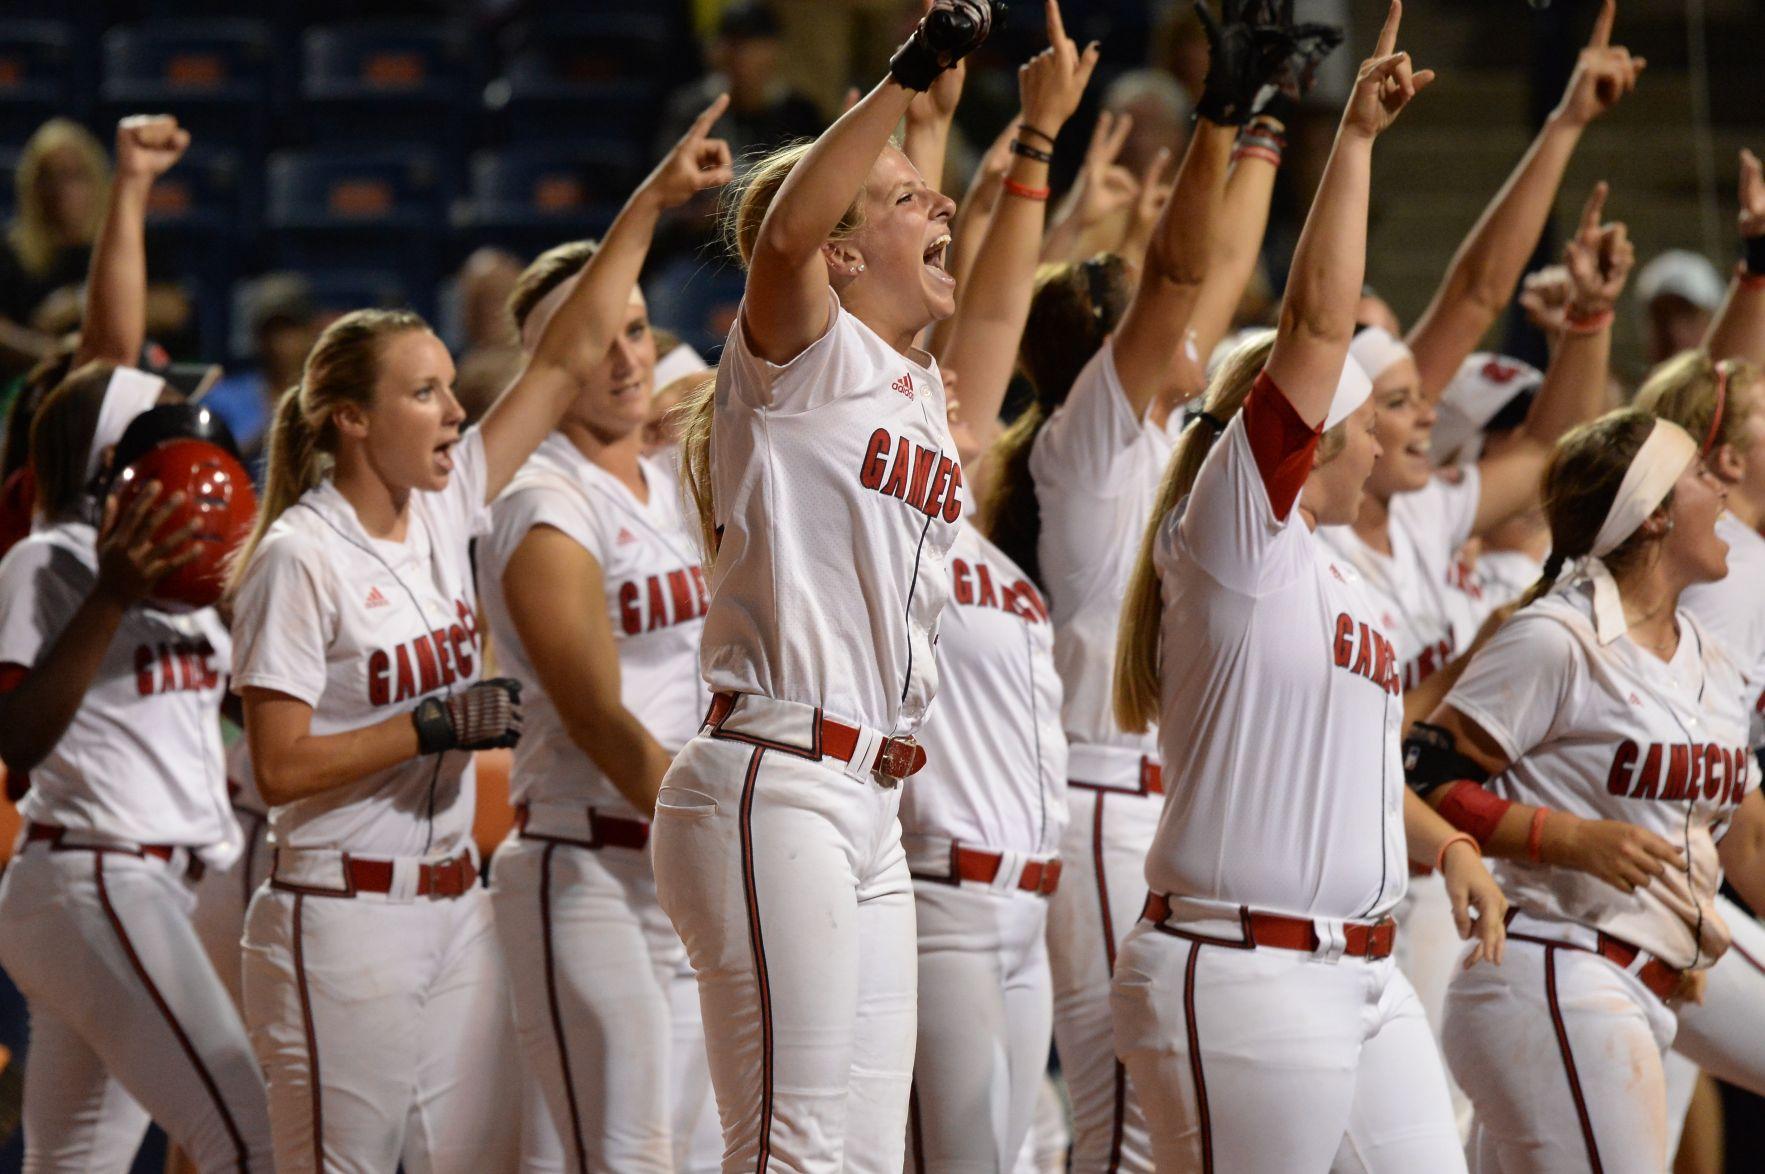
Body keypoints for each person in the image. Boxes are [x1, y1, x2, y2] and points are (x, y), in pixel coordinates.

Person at [224, 101, 735, 1172]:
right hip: (337, 910)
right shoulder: (297, 555)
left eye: (454, 388)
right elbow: (274, 768)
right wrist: (425, 727)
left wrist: (647, 201)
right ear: (352, 419)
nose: (455, 412)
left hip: (453, 907)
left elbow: (559, 362)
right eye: (425, 394)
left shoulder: (446, 504)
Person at [1109, 8, 1508, 1171]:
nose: (1386, 445)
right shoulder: (1238, 534)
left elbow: (1356, 781)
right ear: (1312, 433)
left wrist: (1450, 848)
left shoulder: (1352, 582)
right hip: (1242, 971)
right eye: (1365, 424)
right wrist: (1359, 145)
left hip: (1361, 968)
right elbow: (1316, 322)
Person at [976, 4, 1336, 1165]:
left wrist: (1266, 125)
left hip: (1151, 793)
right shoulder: (1086, 442)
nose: (1189, 322)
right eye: (1145, 310)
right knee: (1121, 1118)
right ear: (1109, 337)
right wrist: (1217, 115)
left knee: (1157, 1120)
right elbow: (1185, 272)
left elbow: (1210, 266)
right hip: (1095, 795)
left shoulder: (1155, 426)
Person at [656, 5, 994, 1168]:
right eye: (906, 200)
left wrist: (934, 147)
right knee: (790, 1150)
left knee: (853, 1155)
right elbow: (789, 235)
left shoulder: (905, 381)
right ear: (844, 253)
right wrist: (900, 76)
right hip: (777, 781)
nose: (940, 206)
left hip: (869, 806)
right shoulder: (802, 350)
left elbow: (924, 254)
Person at [0, 114, 276, 1172]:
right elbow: (17, 736)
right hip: (96, 874)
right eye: (161, 420)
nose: (185, 436)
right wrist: (109, 595)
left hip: (143, 880)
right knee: (249, 1135)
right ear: (113, 457)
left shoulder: (169, 568)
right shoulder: (54, 555)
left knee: (72, 1161)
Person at [1417, 406, 1765, 1173]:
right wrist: (1565, 837)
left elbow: (1746, 834)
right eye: (1699, 476)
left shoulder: (1710, 657)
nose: (1721, 489)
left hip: (1639, 983)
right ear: (1653, 516)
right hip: (1555, 970)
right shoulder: (1555, 636)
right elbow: (1423, 772)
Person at [480, 148, 730, 1170]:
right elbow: (595, 713)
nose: (626, 360)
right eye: (594, 345)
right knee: (623, 1153)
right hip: (585, 859)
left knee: (699, 1150)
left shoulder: (679, 475)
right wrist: (718, 837)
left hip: (675, 860)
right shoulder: (542, 498)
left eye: (635, 330)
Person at [894, 7, 1094, 1166]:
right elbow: (939, 304)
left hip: (1023, 904)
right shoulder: (897, 509)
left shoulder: (969, 523)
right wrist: (957, 137)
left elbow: (990, 314)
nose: (958, 393)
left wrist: (1030, 137)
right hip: (945, 901)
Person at [0, 119, 107, 372]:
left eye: (74, 175)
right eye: (49, 176)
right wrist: (59, 356)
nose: (62, 189)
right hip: (34, 380)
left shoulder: (123, 242)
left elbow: (174, 306)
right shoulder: (10, 250)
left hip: (115, 378)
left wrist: (77, 303)